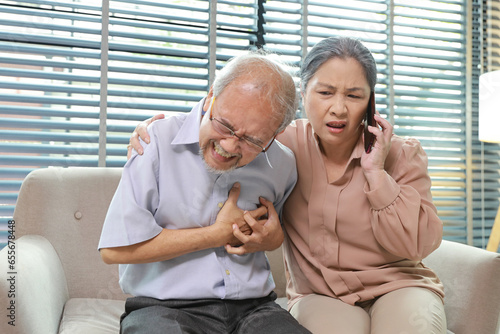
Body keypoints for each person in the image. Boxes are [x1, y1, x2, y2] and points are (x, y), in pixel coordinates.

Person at [129, 36, 447, 334]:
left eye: (354, 95)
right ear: (303, 94)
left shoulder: (402, 153)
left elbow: (419, 245)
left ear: (370, 102)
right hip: (322, 295)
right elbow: (229, 127)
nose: (339, 108)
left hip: (400, 285)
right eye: (325, 92)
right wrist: (163, 131)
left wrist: (376, 172)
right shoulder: (280, 145)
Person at [98, 51, 311, 334]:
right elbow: (114, 249)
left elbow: (280, 230)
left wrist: (273, 239)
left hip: (255, 308)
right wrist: (216, 234)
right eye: (224, 125)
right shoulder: (155, 142)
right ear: (211, 97)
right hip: (163, 310)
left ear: (275, 134)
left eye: (251, 140)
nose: (230, 146)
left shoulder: (282, 163)